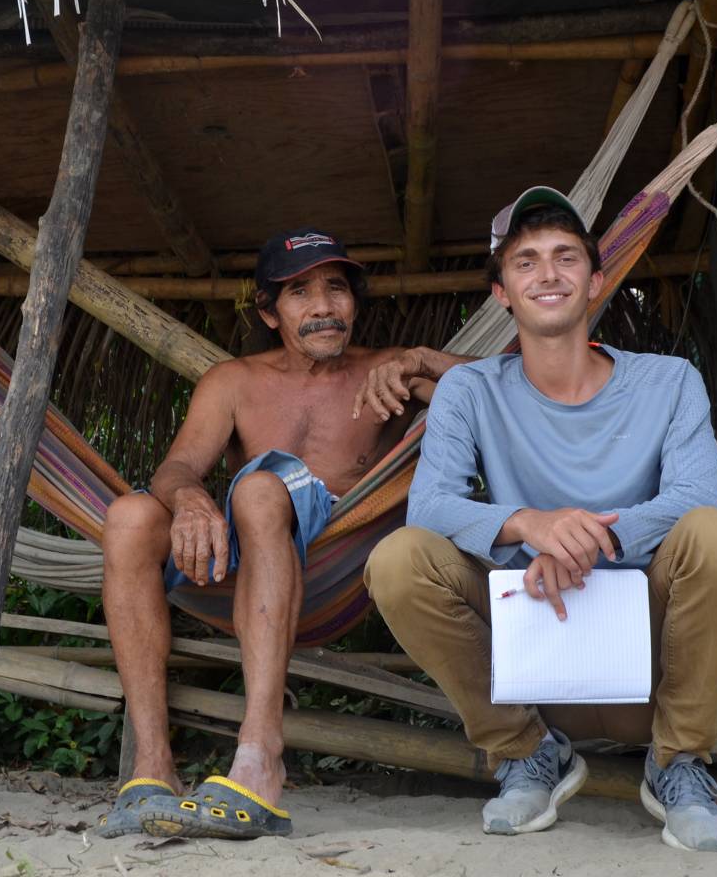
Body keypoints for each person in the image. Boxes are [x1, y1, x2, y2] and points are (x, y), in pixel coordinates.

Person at [362, 186, 717, 852]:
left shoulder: (668, 381)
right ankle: (528, 754)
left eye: (565, 258)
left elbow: (700, 492)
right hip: (530, 657)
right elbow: (431, 505)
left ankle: (678, 765)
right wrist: (530, 526)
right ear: (502, 293)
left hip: (652, 661)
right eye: (525, 262)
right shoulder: (471, 389)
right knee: (399, 558)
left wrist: (595, 538)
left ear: (596, 280)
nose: (547, 274)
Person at [100, 228, 469, 840]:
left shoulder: (389, 371)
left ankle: (260, 757)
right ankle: (151, 768)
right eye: (300, 292)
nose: (324, 306)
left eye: (336, 288)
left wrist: (425, 361)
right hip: (236, 563)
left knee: (261, 486)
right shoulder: (234, 381)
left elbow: (509, 390)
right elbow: (178, 467)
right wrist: (190, 498)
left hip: (332, 560)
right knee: (128, 518)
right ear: (270, 312)